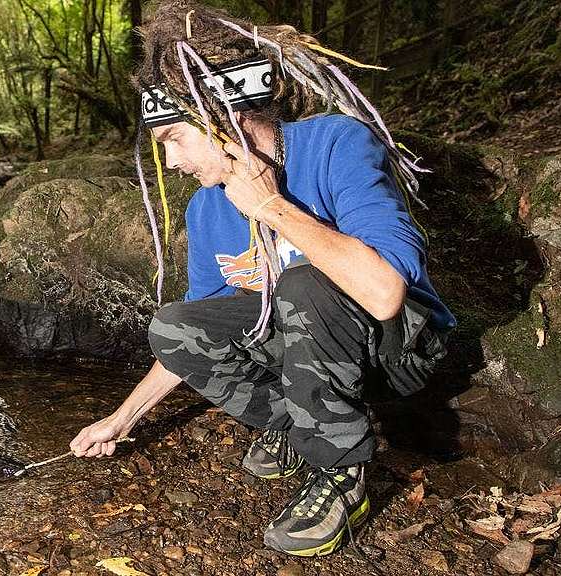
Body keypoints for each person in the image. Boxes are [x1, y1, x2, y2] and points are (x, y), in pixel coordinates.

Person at [70, 1, 454, 558]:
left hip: (395, 352)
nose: (172, 160)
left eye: (176, 137)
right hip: (308, 352)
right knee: (173, 326)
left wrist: (273, 207)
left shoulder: (337, 144)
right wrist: (122, 417)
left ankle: (339, 471)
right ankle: (298, 422)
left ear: (225, 117)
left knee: (303, 281)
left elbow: (386, 292)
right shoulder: (207, 209)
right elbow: (200, 335)